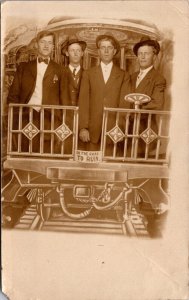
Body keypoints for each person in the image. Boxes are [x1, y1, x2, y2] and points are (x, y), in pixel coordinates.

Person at [120, 36, 168, 237]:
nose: (143, 57)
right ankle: (126, 205)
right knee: (125, 165)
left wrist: (138, 107)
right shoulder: (131, 76)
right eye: (140, 54)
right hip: (129, 130)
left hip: (146, 130)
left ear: (154, 57)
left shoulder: (158, 79)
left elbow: (157, 103)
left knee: (142, 168)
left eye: (147, 53)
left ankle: (149, 209)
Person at [7, 30, 62, 153]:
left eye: (49, 43)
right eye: (43, 42)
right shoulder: (23, 68)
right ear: (37, 44)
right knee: (26, 153)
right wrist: (18, 118)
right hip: (26, 116)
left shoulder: (60, 70)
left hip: (50, 119)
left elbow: (64, 99)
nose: (46, 46)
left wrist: (60, 123)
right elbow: (13, 96)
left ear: (53, 46)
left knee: (47, 155)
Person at [78, 33, 125, 151]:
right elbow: (83, 102)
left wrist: (120, 128)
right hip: (91, 132)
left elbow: (124, 104)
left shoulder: (124, 75)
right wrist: (83, 128)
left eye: (109, 48)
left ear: (114, 51)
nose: (106, 51)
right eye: (103, 48)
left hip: (113, 132)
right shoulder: (88, 74)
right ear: (98, 51)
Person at [60, 35, 86, 106]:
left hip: (82, 115)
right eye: (72, 50)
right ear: (67, 53)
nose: (75, 53)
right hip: (65, 115)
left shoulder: (88, 75)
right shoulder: (60, 73)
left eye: (78, 50)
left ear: (82, 53)